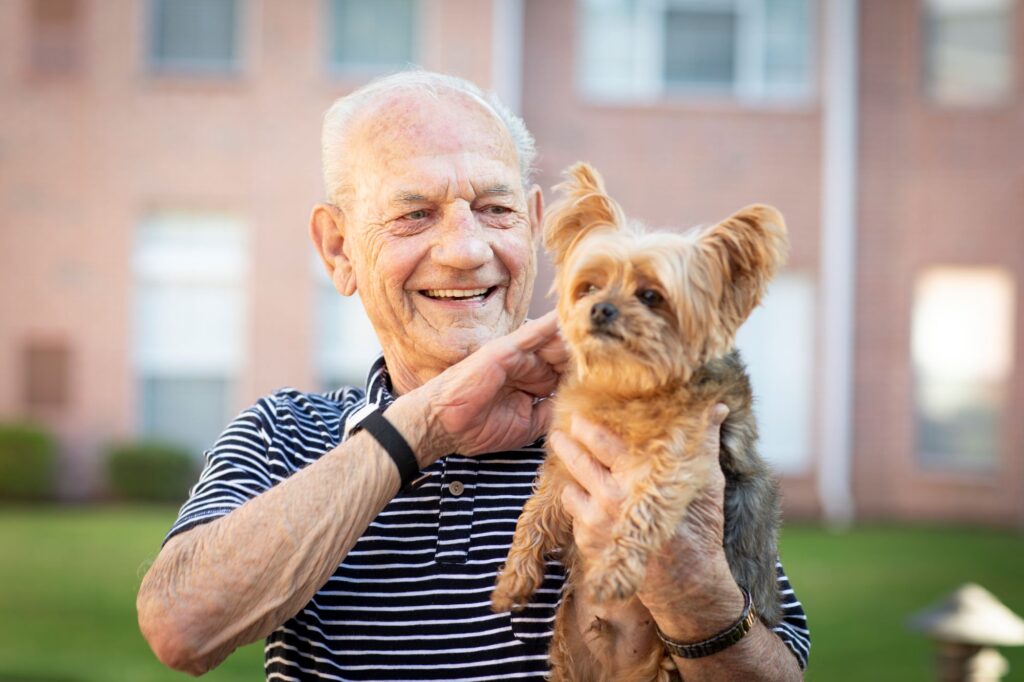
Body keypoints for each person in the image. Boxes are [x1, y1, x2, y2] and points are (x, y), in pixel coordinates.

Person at [137, 70, 810, 681]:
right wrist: (424, 424)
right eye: (414, 214)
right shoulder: (284, 433)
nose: (464, 250)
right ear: (338, 249)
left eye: (496, 209)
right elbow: (181, 627)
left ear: (539, 226)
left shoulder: (661, 428)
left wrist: (688, 589)